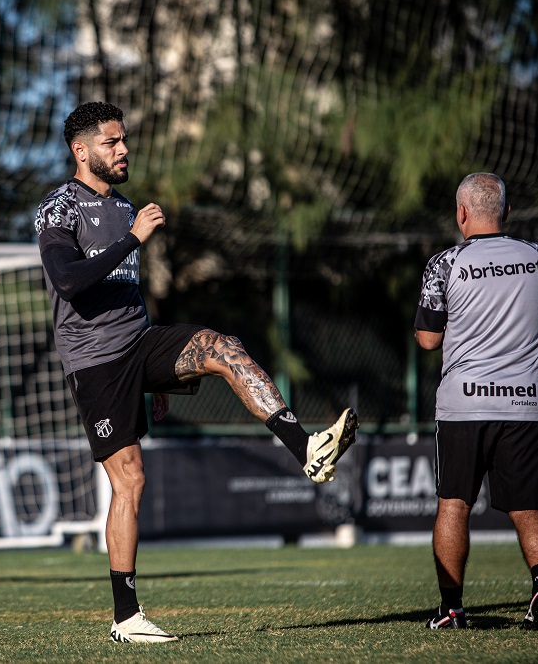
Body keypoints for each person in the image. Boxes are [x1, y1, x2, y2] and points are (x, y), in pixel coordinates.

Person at [35, 101, 359, 643]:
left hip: (138, 345)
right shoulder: (59, 208)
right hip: (94, 363)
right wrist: (133, 239)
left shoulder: (125, 207)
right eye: (112, 142)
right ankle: (126, 618)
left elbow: (128, 292)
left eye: (124, 140)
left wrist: (154, 375)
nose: (123, 150)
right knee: (130, 481)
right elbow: (68, 281)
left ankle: (305, 448)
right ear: (81, 150)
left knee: (221, 347)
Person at [414, 172, 538, 630]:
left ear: (461, 213)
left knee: (454, 504)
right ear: (506, 212)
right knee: (529, 506)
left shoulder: (446, 263)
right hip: (525, 405)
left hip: (464, 408)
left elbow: (427, 339)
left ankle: (452, 609)